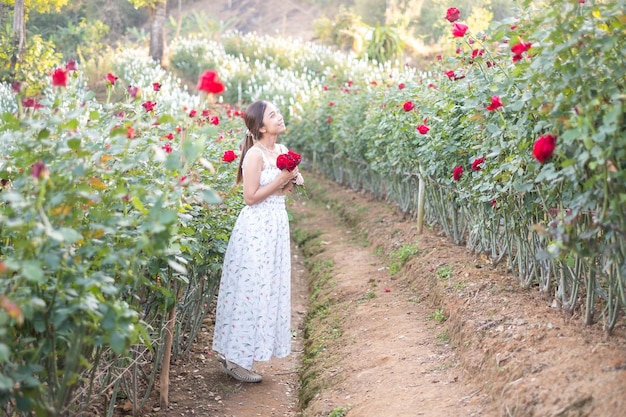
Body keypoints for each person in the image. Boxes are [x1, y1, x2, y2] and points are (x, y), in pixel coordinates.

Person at [212, 100, 303, 383]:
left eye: (278, 112)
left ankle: (245, 354)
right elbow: (250, 197)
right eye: (273, 114)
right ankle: (235, 358)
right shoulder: (254, 155)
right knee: (251, 288)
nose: (280, 116)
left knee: (268, 288)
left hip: (276, 224)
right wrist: (283, 179)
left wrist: (294, 180)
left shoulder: (282, 151)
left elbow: (287, 188)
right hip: (255, 228)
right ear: (261, 126)